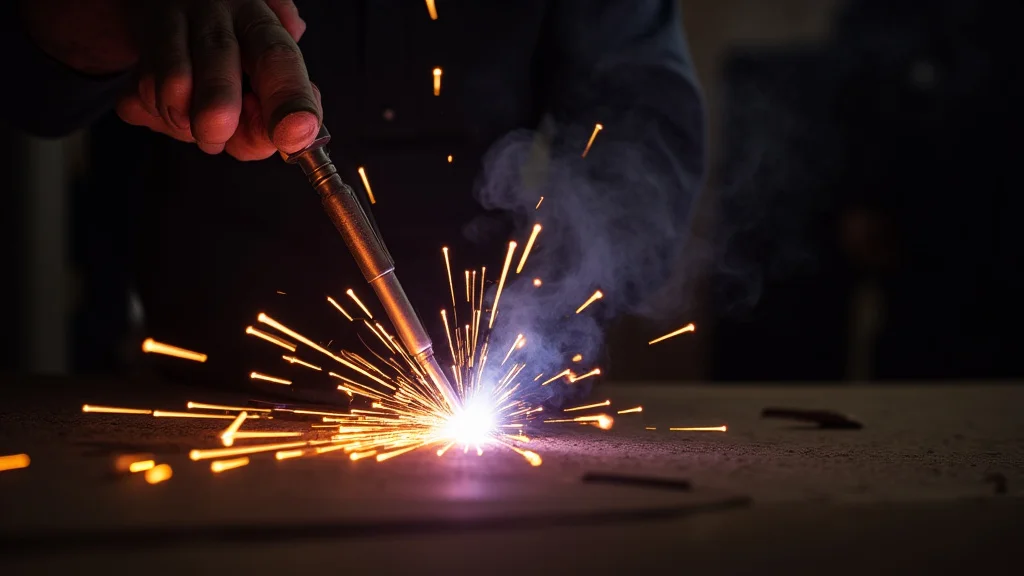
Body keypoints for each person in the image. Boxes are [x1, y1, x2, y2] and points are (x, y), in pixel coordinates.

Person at [6, 0, 705, 382]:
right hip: (214, 374)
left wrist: (548, 319)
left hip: (493, 344)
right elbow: (34, 97)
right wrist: (96, 29)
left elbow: (642, 117)